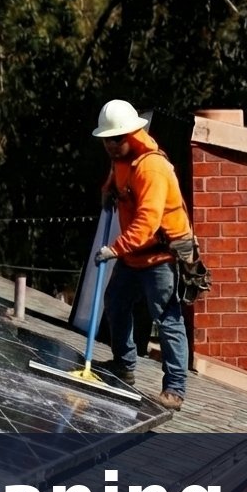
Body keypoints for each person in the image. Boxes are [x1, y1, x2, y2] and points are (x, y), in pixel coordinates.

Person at [91, 99, 192, 411]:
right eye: (106, 139)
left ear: (129, 135)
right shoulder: (121, 157)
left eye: (114, 139)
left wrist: (114, 249)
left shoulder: (152, 168)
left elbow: (147, 223)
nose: (108, 145)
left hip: (159, 256)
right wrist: (107, 190)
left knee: (167, 318)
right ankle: (124, 365)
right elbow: (116, 179)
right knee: (117, 302)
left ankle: (174, 389)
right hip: (135, 255)